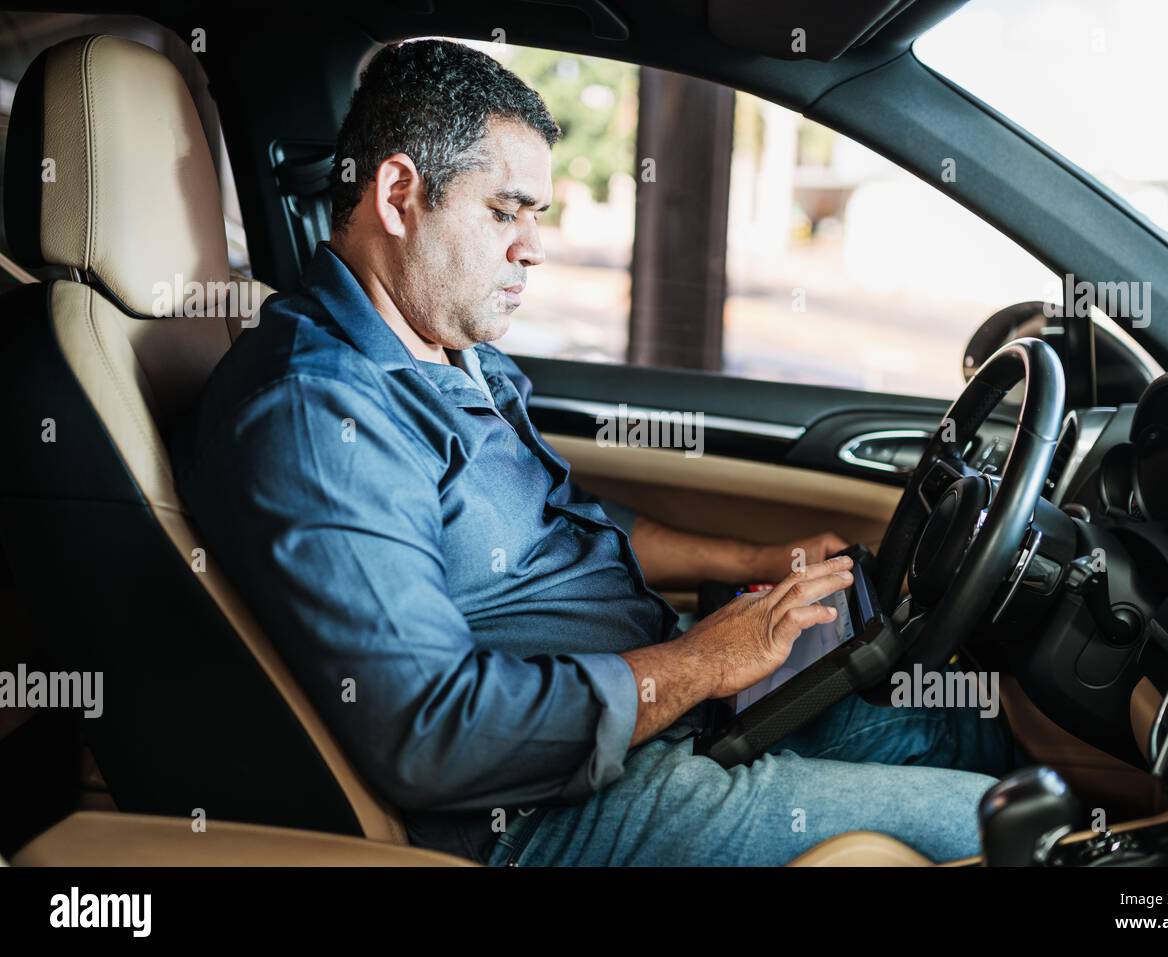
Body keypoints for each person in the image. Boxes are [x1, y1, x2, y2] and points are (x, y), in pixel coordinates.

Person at [169, 38, 1017, 867]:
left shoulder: (448, 350)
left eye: (536, 214)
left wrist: (754, 559)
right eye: (505, 210)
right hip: (548, 806)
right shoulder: (321, 414)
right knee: (1006, 829)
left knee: (954, 719)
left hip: (654, 707)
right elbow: (436, 733)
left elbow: (561, 525)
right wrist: (701, 660)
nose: (533, 245)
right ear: (398, 195)